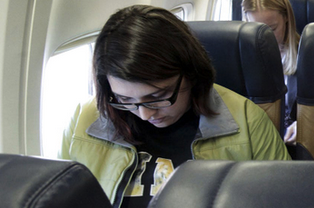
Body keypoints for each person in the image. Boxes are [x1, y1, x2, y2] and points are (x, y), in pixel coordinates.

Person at [59, 5, 290, 207]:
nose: (144, 113)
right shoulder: (84, 119)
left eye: (159, 95)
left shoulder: (247, 121)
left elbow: (284, 199)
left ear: (190, 73)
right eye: (126, 100)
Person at [243, 0, 301, 145]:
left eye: (272, 29)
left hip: (291, 139)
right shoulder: (241, 56)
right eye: (257, 30)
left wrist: (304, 125)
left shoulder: (309, 54)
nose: (265, 38)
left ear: (286, 18)